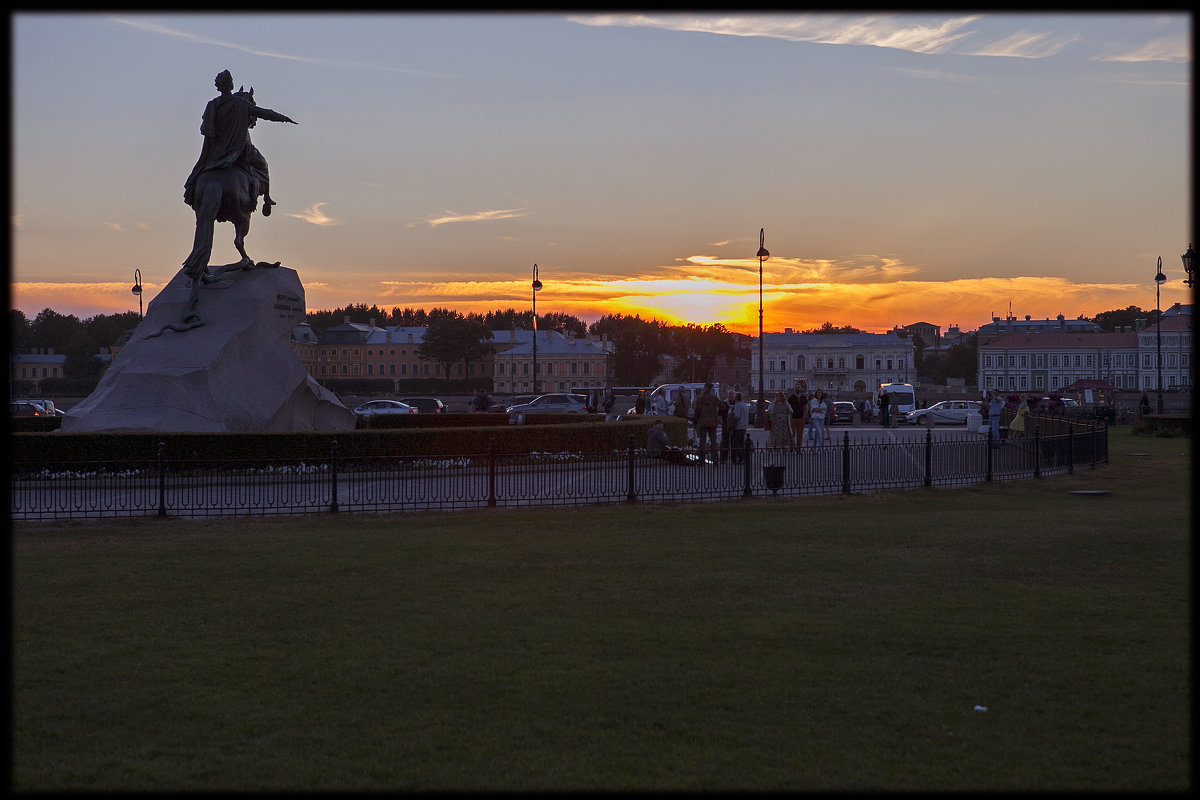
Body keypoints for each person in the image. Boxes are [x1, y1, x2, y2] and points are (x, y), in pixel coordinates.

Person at [184, 70, 297, 215]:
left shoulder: (212, 105)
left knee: (195, 178)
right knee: (263, 165)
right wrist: (283, 118)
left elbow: (206, 130)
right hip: (238, 152)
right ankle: (267, 199)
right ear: (231, 84)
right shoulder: (240, 104)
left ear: (218, 86)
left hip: (213, 154)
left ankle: (194, 194)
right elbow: (265, 113)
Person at [692, 383, 723, 464]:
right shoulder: (714, 398)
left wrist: (695, 420)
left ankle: (701, 461)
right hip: (712, 422)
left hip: (702, 422)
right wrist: (717, 414)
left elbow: (697, 411)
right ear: (710, 389)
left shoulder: (700, 399)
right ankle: (715, 460)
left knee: (702, 442)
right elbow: (722, 406)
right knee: (713, 442)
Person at [729, 392, 750, 463]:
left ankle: (741, 457)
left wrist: (731, 416)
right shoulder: (745, 405)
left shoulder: (737, 405)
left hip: (738, 426)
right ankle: (743, 457)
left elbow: (737, 416)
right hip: (744, 426)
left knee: (737, 444)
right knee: (741, 443)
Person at [720, 389, 737, 462]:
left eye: (732, 395)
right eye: (730, 395)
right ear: (728, 395)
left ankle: (734, 458)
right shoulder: (724, 403)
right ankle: (723, 458)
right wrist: (722, 422)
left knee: (734, 442)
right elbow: (719, 414)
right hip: (726, 424)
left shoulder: (737, 403)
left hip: (734, 425)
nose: (731, 396)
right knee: (725, 442)